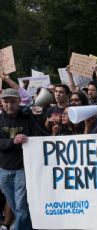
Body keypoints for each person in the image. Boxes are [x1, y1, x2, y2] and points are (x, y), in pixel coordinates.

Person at [0, 88, 45, 230]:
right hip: (3, 169)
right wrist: (12, 141)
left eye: (13, 102)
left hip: (22, 169)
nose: (9, 105)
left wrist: (36, 117)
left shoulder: (27, 116)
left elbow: (39, 136)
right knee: (13, 205)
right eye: (6, 101)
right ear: (1, 102)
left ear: (19, 101)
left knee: (21, 206)